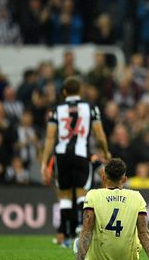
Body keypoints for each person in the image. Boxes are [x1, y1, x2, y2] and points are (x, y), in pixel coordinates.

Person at [41, 76, 111, 247]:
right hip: (82, 154)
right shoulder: (90, 108)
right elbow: (99, 133)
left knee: (64, 196)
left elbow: (50, 137)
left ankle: (65, 235)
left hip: (62, 155)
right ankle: (80, 230)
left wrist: (44, 162)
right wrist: (105, 151)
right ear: (80, 91)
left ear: (64, 92)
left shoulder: (56, 109)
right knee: (82, 194)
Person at [70, 158, 149, 260]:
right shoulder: (137, 196)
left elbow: (87, 229)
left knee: (78, 240)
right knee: (138, 237)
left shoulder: (92, 195)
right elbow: (143, 232)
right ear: (124, 179)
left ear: (104, 178)